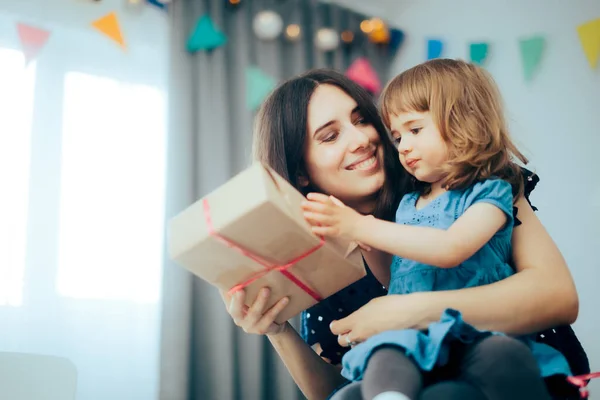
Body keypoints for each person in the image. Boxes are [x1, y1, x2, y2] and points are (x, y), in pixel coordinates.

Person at [224, 68, 588, 400]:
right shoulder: (318, 263)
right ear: (301, 172)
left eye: (363, 119)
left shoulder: (468, 177)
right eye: (331, 135)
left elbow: (558, 298)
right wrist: (277, 329)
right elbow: (335, 391)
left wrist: (408, 311)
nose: (363, 139)